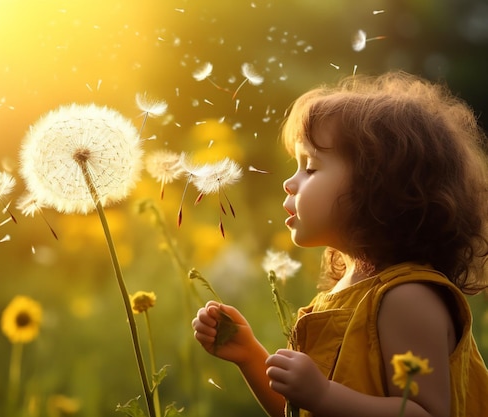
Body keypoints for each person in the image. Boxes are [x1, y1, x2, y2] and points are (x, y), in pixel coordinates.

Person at [192, 71, 488, 417]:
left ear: (376, 190)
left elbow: (426, 413)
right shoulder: (339, 297)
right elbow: (300, 410)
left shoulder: (408, 297)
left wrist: (322, 394)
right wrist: (249, 355)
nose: (290, 182)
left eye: (311, 168)